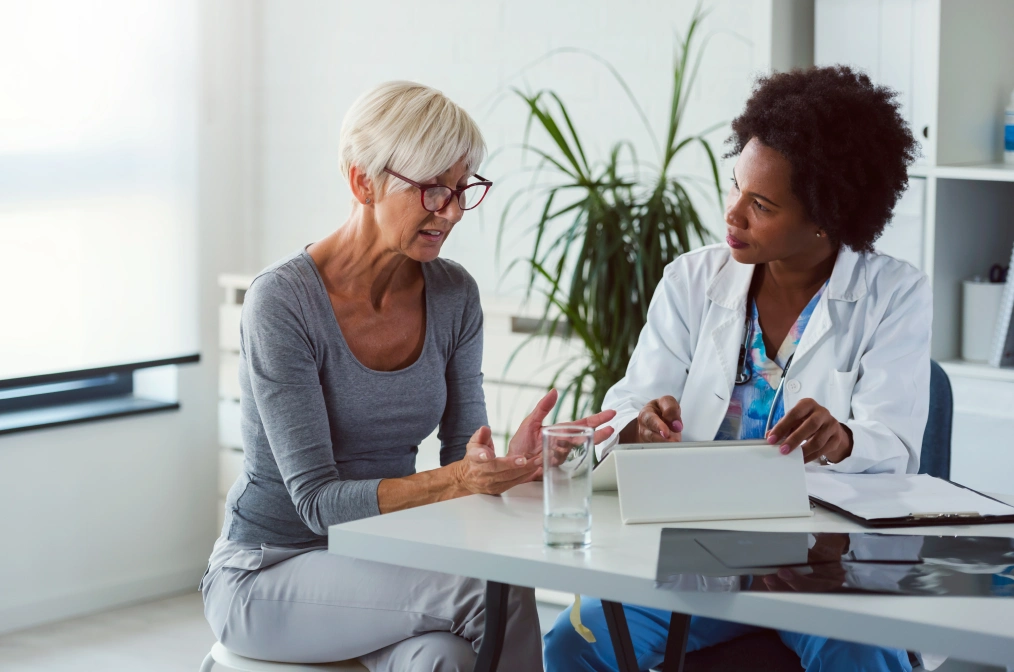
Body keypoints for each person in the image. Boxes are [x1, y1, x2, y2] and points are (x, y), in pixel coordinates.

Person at [200, 81, 615, 671]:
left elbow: (463, 461)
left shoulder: (453, 294)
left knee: (443, 658)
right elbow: (317, 503)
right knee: (488, 591)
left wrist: (509, 468)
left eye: (462, 189)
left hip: (380, 564)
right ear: (363, 182)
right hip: (267, 571)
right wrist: (461, 479)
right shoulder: (283, 302)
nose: (452, 211)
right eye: (432, 189)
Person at [544, 65, 926, 672]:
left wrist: (843, 438)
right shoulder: (691, 281)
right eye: (735, 188)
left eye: (761, 205)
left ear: (825, 217)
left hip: (819, 562)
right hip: (695, 555)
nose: (733, 215)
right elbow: (626, 405)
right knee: (575, 642)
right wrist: (639, 425)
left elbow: (895, 444)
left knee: (862, 656)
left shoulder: (893, 295)